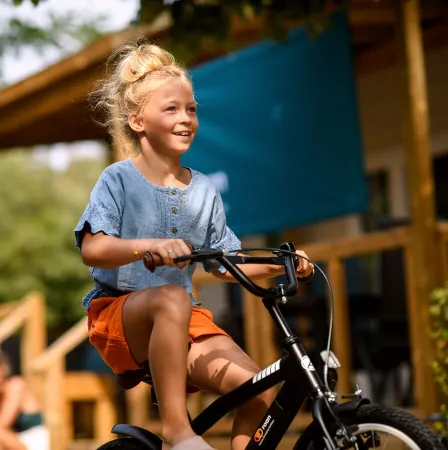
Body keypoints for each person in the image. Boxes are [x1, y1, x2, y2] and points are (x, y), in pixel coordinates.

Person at [74, 40, 314, 450]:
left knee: (257, 391)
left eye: (191, 109)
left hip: (184, 318)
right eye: (171, 109)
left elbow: (226, 263)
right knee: (170, 297)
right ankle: (176, 430)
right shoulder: (118, 180)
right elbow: (93, 249)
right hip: (119, 312)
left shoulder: (203, 191)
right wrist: (148, 245)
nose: (186, 118)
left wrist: (281, 264)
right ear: (137, 120)